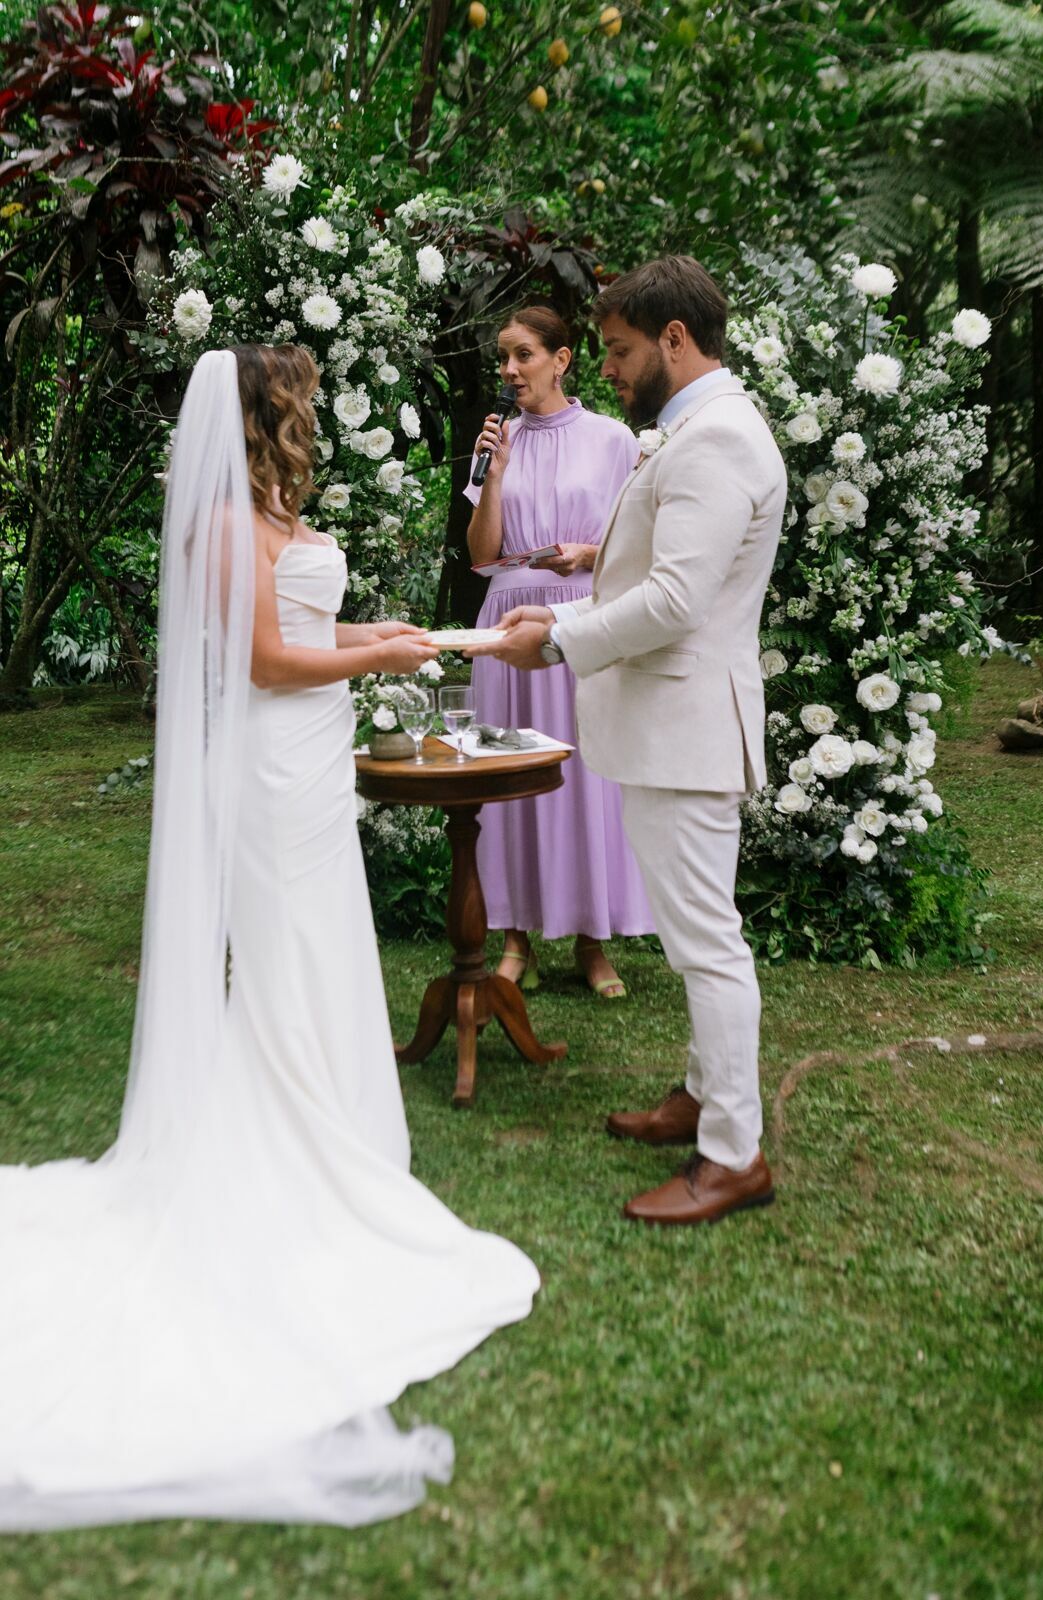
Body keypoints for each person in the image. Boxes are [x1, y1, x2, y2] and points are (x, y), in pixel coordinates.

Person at [0, 344, 539, 1531]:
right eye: (293, 400)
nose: (307, 412)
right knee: (289, 951)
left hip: (306, 765)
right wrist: (382, 654)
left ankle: (332, 1125)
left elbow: (314, 632)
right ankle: (293, 1149)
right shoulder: (227, 531)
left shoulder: (271, 514)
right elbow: (262, 663)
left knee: (319, 945)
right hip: (270, 763)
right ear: (261, 417)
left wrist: (375, 630)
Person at [468, 257, 787, 1228]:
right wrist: (582, 566)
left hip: (686, 727)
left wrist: (559, 637)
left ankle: (732, 1153)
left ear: (674, 341)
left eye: (618, 350)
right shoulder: (689, 433)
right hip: (664, 726)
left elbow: (681, 598)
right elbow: (660, 561)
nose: (609, 368)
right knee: (697, 940)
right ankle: (700, 1096)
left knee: (707, 945)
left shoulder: (716, 439)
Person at [466, 304, 654, 1000]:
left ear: (562, 358)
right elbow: (481, 555)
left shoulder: (612, 441)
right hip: (504, 618)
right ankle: (514, 938)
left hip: (579, 614)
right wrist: (493, 473)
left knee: (585, 778)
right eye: (504, 358)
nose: (510, 370)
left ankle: (592, 940)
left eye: (523, 355)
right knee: (506, 775)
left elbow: (643, 547)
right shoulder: (497, 440)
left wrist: (590, 552)